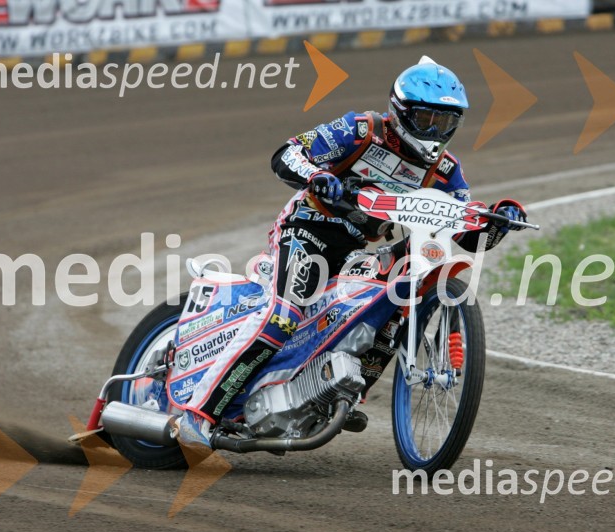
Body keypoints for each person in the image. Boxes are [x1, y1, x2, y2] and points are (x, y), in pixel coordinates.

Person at [174, 55, 529, 448]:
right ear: (401, 111)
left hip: (359, 251)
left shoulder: (445, 171)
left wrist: (495, 222)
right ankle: (199, 413)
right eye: (427, 119)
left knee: (394, 301)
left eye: (445, 122)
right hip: (308, 231)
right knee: (285, 316)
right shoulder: (361, 130)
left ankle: (335, 391)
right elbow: (287, 154)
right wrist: (318, 176)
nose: (435, 130)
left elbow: (459, 229)